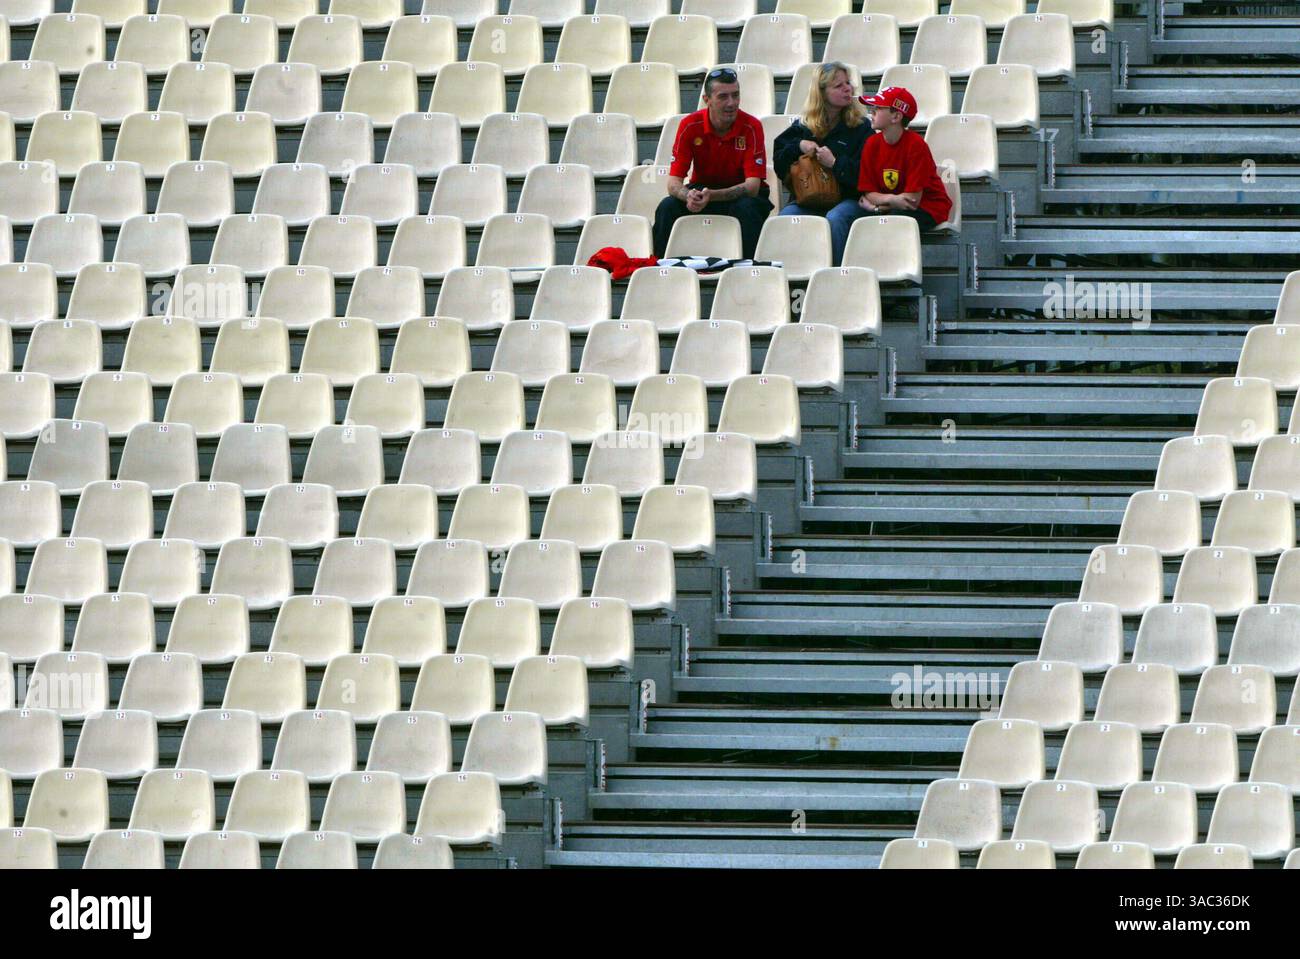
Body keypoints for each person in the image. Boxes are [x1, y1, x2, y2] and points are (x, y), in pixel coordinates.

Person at [653, 67, 771, 260]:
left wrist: (711, 196)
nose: (731, 103)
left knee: (748, 208)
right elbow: (673, 184)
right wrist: (688, 195)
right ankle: (659, 267)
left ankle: (748, 267)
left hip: (740, 196)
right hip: (702, 191)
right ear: (706, 100)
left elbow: (752, 187)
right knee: (668, 206)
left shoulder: (752, 126)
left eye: (736, 95)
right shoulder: (689, 125)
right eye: (723, 97)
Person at [771, 61, 872, 265]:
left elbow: (865, 175)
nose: (848, 89)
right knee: (786, 216)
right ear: (822, 92)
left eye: (848, 83)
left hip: (848, 199)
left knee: (835, 218)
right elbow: (780, 165)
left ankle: (834, 277)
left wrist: (835, 163)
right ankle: (788, 278)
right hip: (811, 199)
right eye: (838, 86)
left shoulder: (861, 127)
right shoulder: (804, 126)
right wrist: (799, 145)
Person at [855, 87, 952, 231]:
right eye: (873, 107)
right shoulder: (871, 143)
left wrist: (876, 207)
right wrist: (892, 200)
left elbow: (911, 201)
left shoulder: (916, 145)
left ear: (896, 117)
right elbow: (868, 194)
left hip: (928, 207)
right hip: (894, 209)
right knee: (858, 220)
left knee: (892, 222)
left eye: (879, 108)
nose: (872, 112)